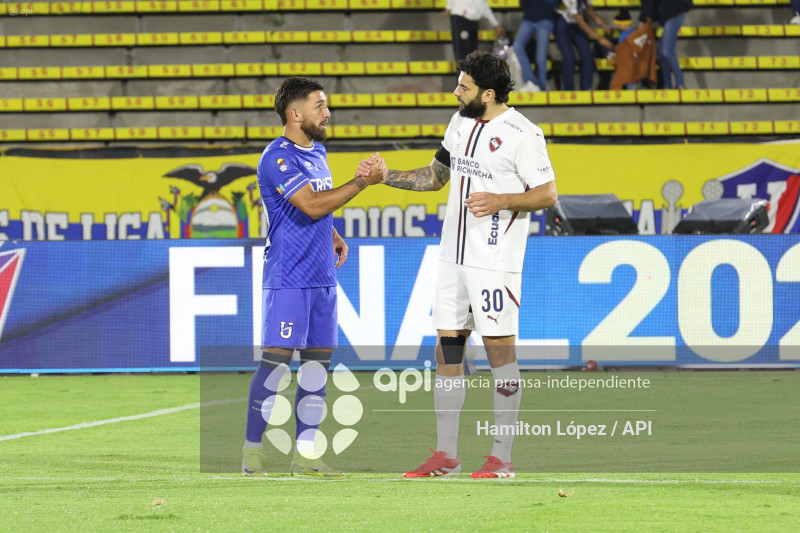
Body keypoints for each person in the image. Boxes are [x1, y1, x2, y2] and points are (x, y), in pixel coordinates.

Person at [360, 51, 558, 479]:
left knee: (499, 352)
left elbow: (547, 195)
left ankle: (501, 458)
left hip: (493, 262)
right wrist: (385, 176)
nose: (456, 91)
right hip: (453, 258)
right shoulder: (459, 122)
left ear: (488, 93)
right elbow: (435, 177)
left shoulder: (524, 134)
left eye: (464, 87)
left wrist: (502, 200)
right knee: (448, 349)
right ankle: (446, 456)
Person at [242, 77, 386, 477]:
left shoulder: (318, 151)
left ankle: (305, 456)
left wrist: (335, 235)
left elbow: (318, 205)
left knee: (316, 368)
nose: (327, 113)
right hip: (289, 277)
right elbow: (308, 205)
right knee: (275, 365)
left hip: (322, 276)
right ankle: (252, 451)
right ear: (295, 113)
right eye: (320, 105)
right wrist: (361, 182)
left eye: (327, 105)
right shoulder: (277, 157)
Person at [554, 0, 614, 90]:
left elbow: (588, 7)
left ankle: (586, 89)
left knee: (587, 56)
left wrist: (601, 23)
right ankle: (569, 91)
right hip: (563, 23)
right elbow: (581, 22)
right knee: (569, 58)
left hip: (577, 23)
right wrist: (599, 38)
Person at [640, 0, 692, 89]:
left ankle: (680, 84)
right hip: (671, 15)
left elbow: (648, 4)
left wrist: (642, 20)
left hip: (674, 14)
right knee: (661, 53)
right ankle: (667, 85)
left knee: (667, 52)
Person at [513, 0, 559, 92]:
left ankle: (541, 87)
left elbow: (555, 2)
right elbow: (522, 3)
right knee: (517, 46)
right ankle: (531, 81)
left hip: (545, 19)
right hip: (529, 18)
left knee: (540, 57)